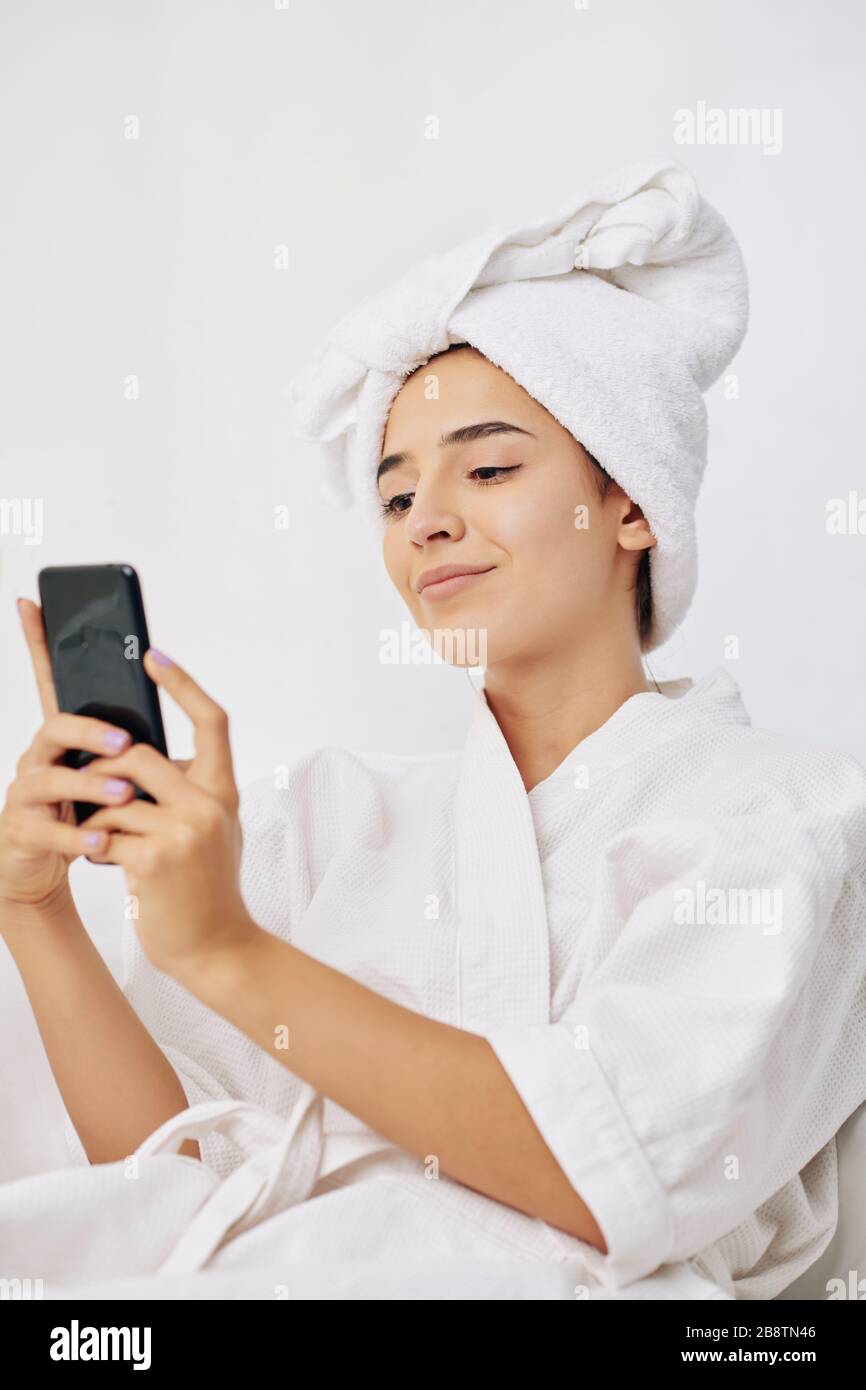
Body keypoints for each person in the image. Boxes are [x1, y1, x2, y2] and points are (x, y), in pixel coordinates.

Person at [1, 159, 864, 1301]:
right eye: (397, 496)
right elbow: (177, 1188)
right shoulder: (321, 811)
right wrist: (37, 911)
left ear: (632, 504)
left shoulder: (790, 818)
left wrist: (227, 950)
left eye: (490, 467)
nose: (427, 523)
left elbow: (602, 1176)